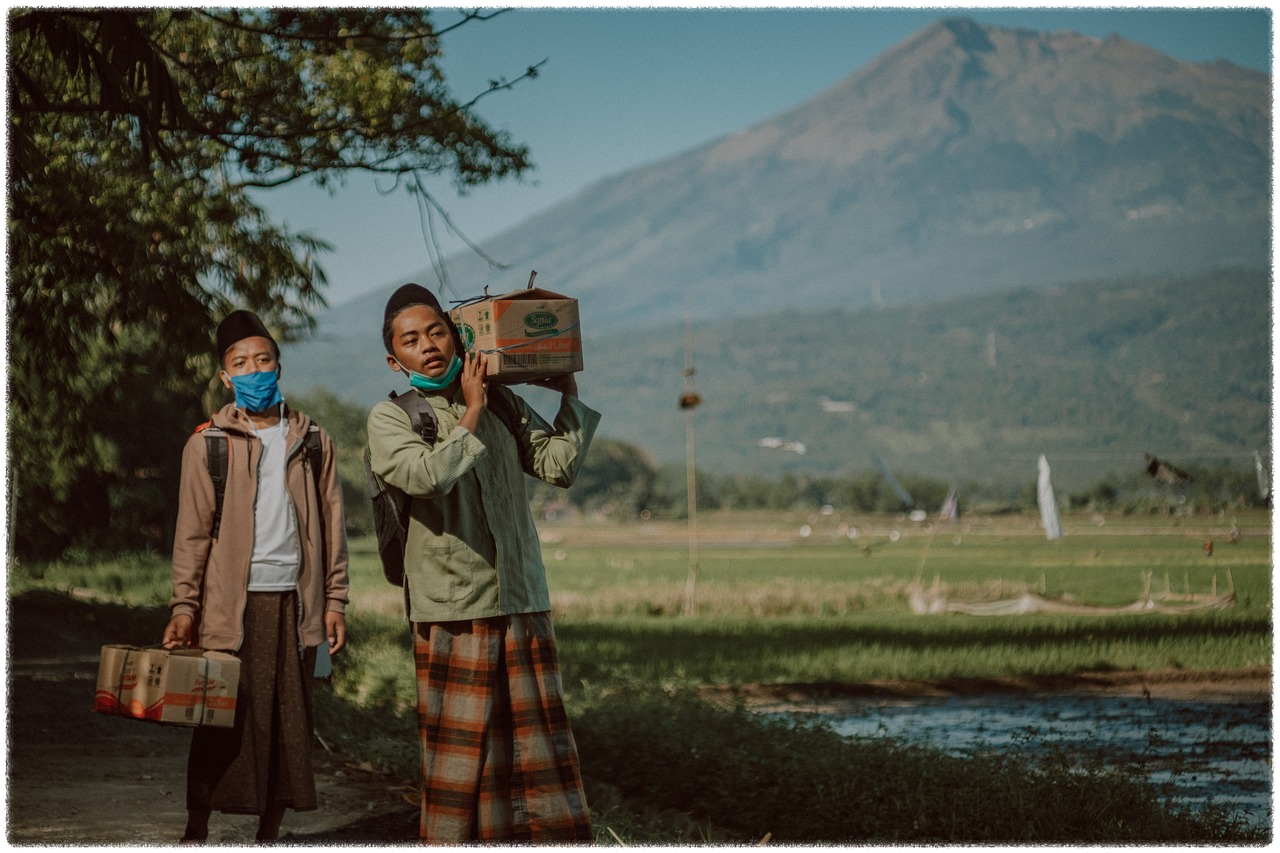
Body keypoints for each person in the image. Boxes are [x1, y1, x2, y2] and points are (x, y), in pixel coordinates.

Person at [366, 283, 599, 842]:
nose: (428, 346)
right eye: (411, 339)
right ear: (394, 359)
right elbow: (426, 477)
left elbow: (557, 466)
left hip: (520, 598)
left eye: (437, 331)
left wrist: (566, 393)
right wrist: (469, 410)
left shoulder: (501, 402)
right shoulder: (392, 417)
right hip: (453, 606)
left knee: (532, 754)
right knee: (461, 758)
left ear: (458, 337)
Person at [163, 309, 349, 844]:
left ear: (279, 366)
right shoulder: (208, 445)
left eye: (262, 359)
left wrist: (335, 600)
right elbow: (192, 536)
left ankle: (269, 835)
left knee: (290, 726)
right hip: (230, 606)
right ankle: (196, 829)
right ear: (226, 377)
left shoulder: (313, 441)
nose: (254, 370)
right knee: (218, 719)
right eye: (241, 363)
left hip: (295, 603)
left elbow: (333, 526)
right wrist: (184, 607)